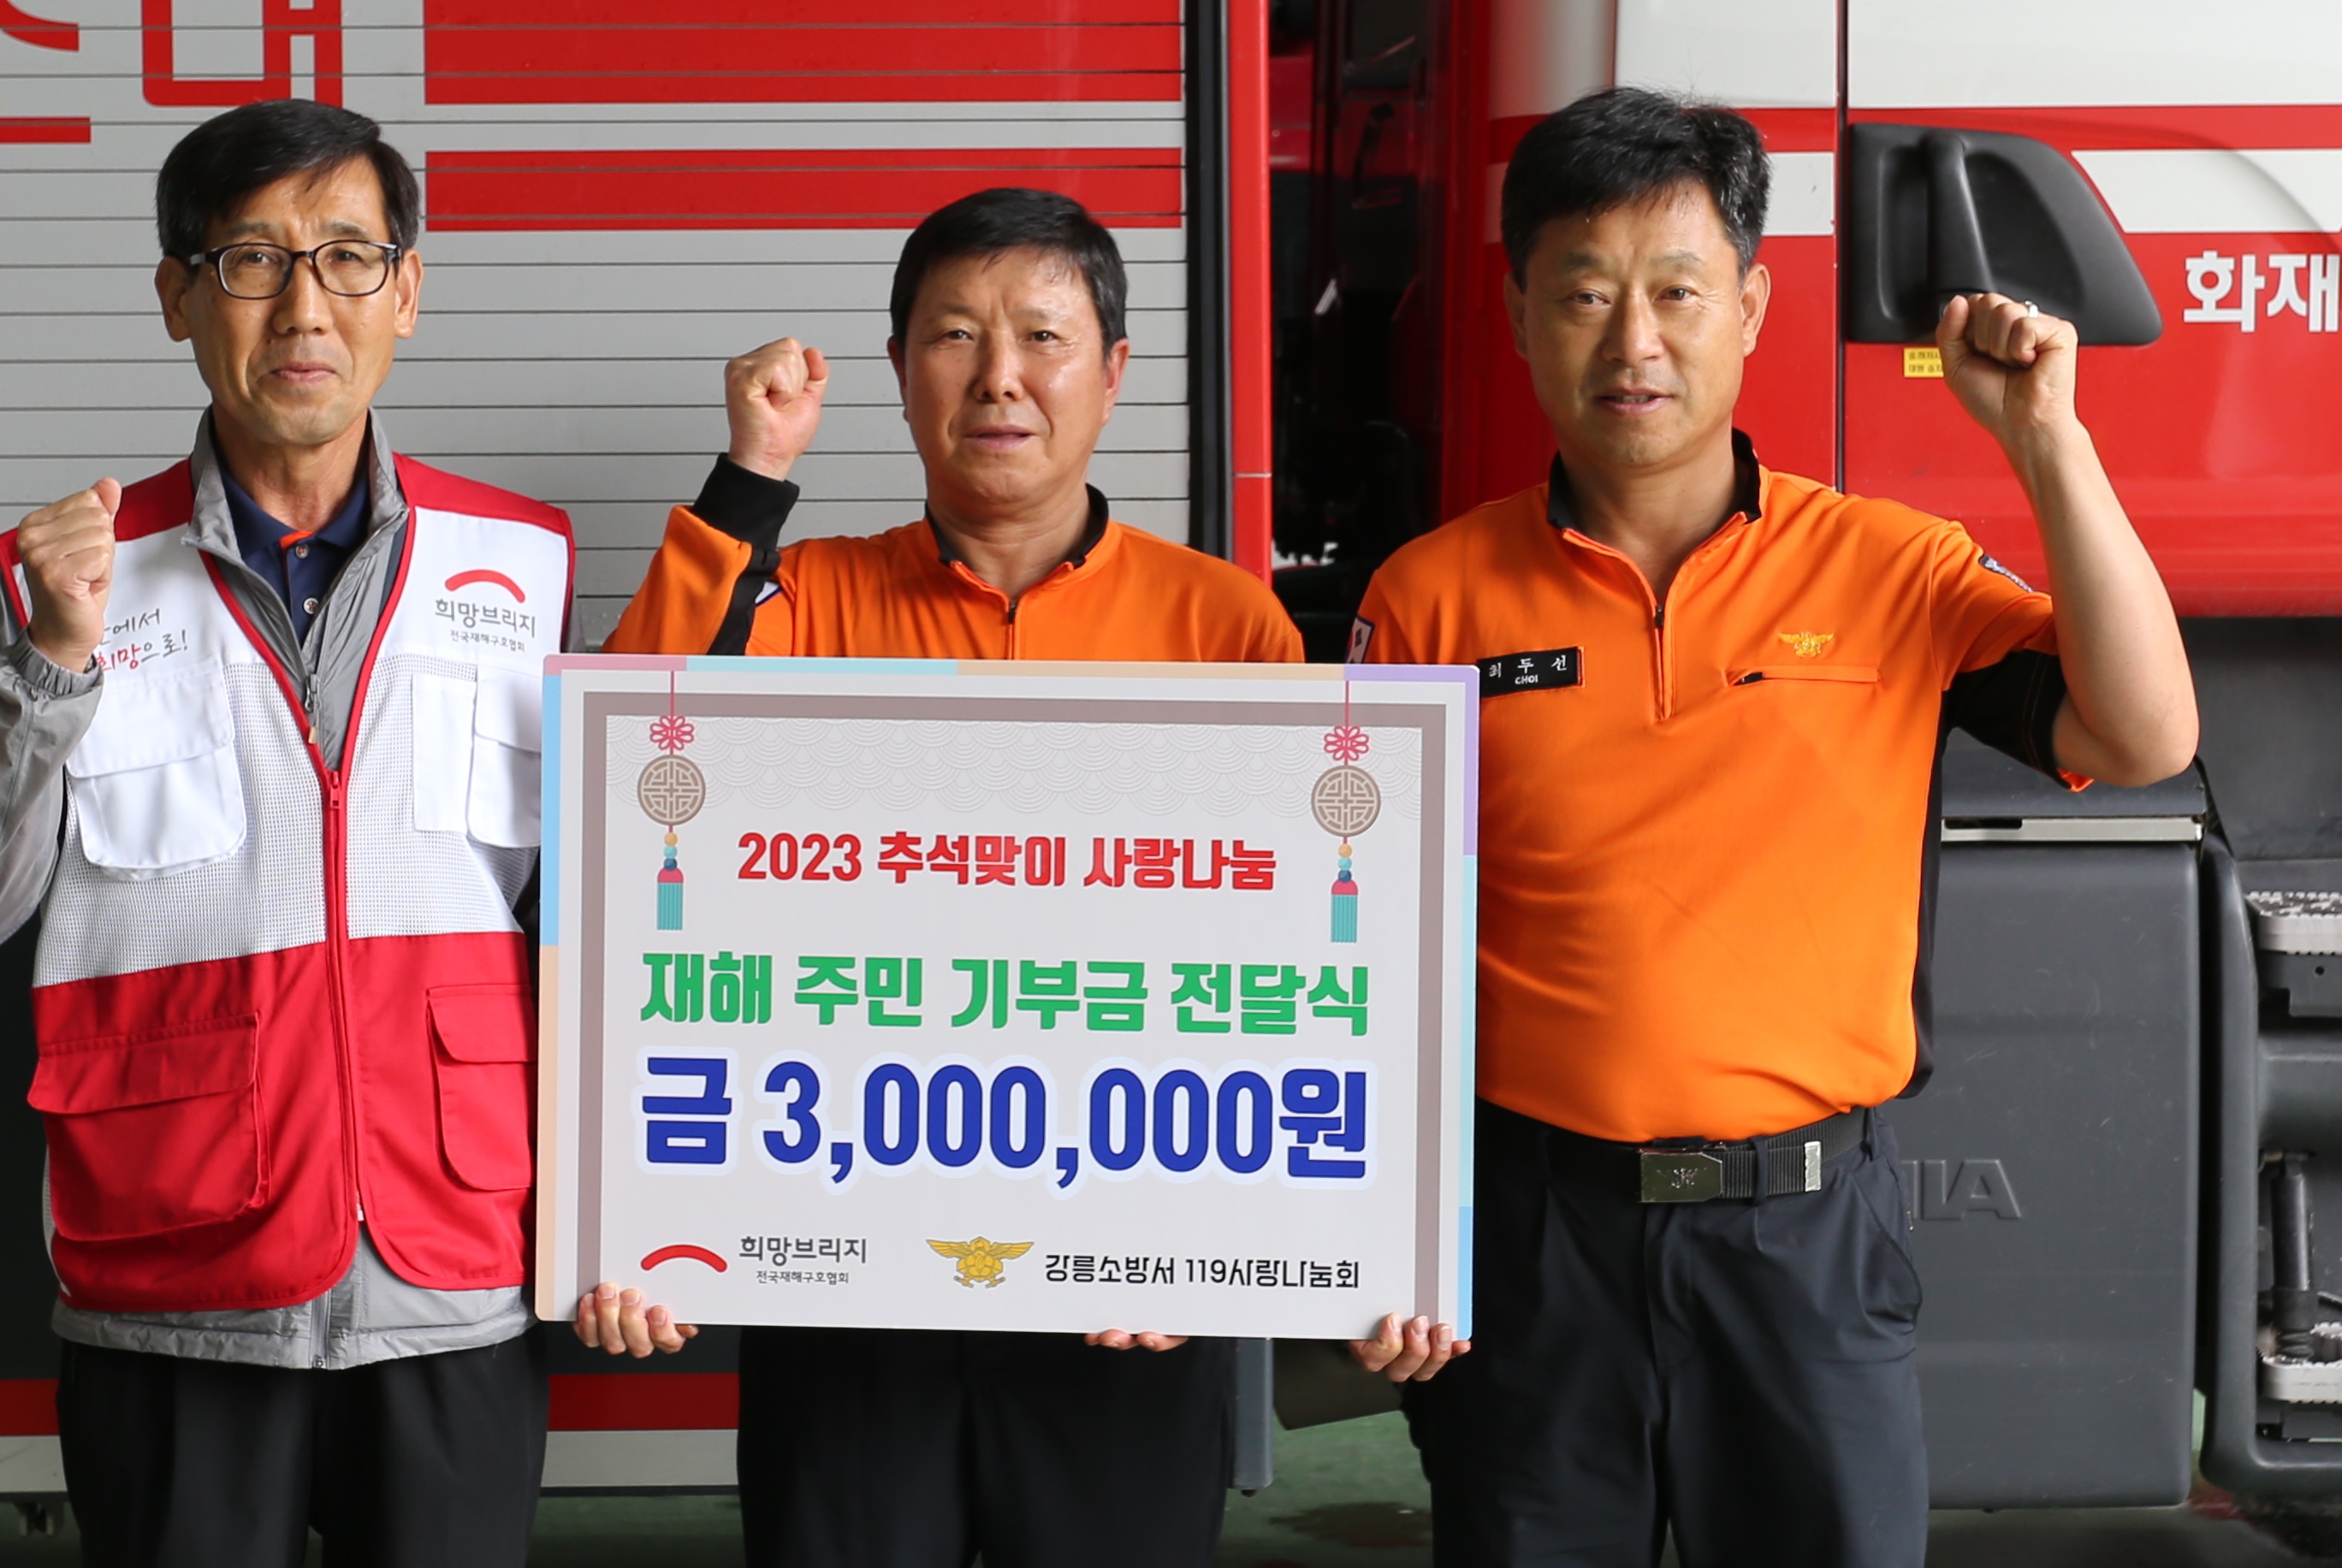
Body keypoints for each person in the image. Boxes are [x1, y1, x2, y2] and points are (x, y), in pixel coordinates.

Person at [1355, 89, 2197, 1567]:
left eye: (1678, 292)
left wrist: (2048, 440)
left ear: (1750, 306)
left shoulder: (1890, 569)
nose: (1634, 342)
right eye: (1585, 295)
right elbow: (1359, 946)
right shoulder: (1430, 597)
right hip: (1533, 1243)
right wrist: (1386, 1228)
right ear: (1519, 314)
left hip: (1803, 1249)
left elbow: (2142, 735)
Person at [586, 186, 1467, 1568]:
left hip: (1133, 1303)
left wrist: (1296, 1234)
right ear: (899, 369)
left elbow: (1317, 970)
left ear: (1113, 371)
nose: (999, 375)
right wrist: (750, 476)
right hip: (850, 1291)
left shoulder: (1226, 624)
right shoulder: (802, 597)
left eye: (1042, 337)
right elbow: (632, 777)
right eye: (955, 335)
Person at [0, 99, 569, 1567]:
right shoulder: (63, 571)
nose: (305, 306)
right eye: (252, 260)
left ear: (408, 290)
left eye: (347, 257)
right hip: (176, 1273)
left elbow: (591, 913)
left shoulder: (522, 562)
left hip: (451, 1270)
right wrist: (48, 663)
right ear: (178, 296)